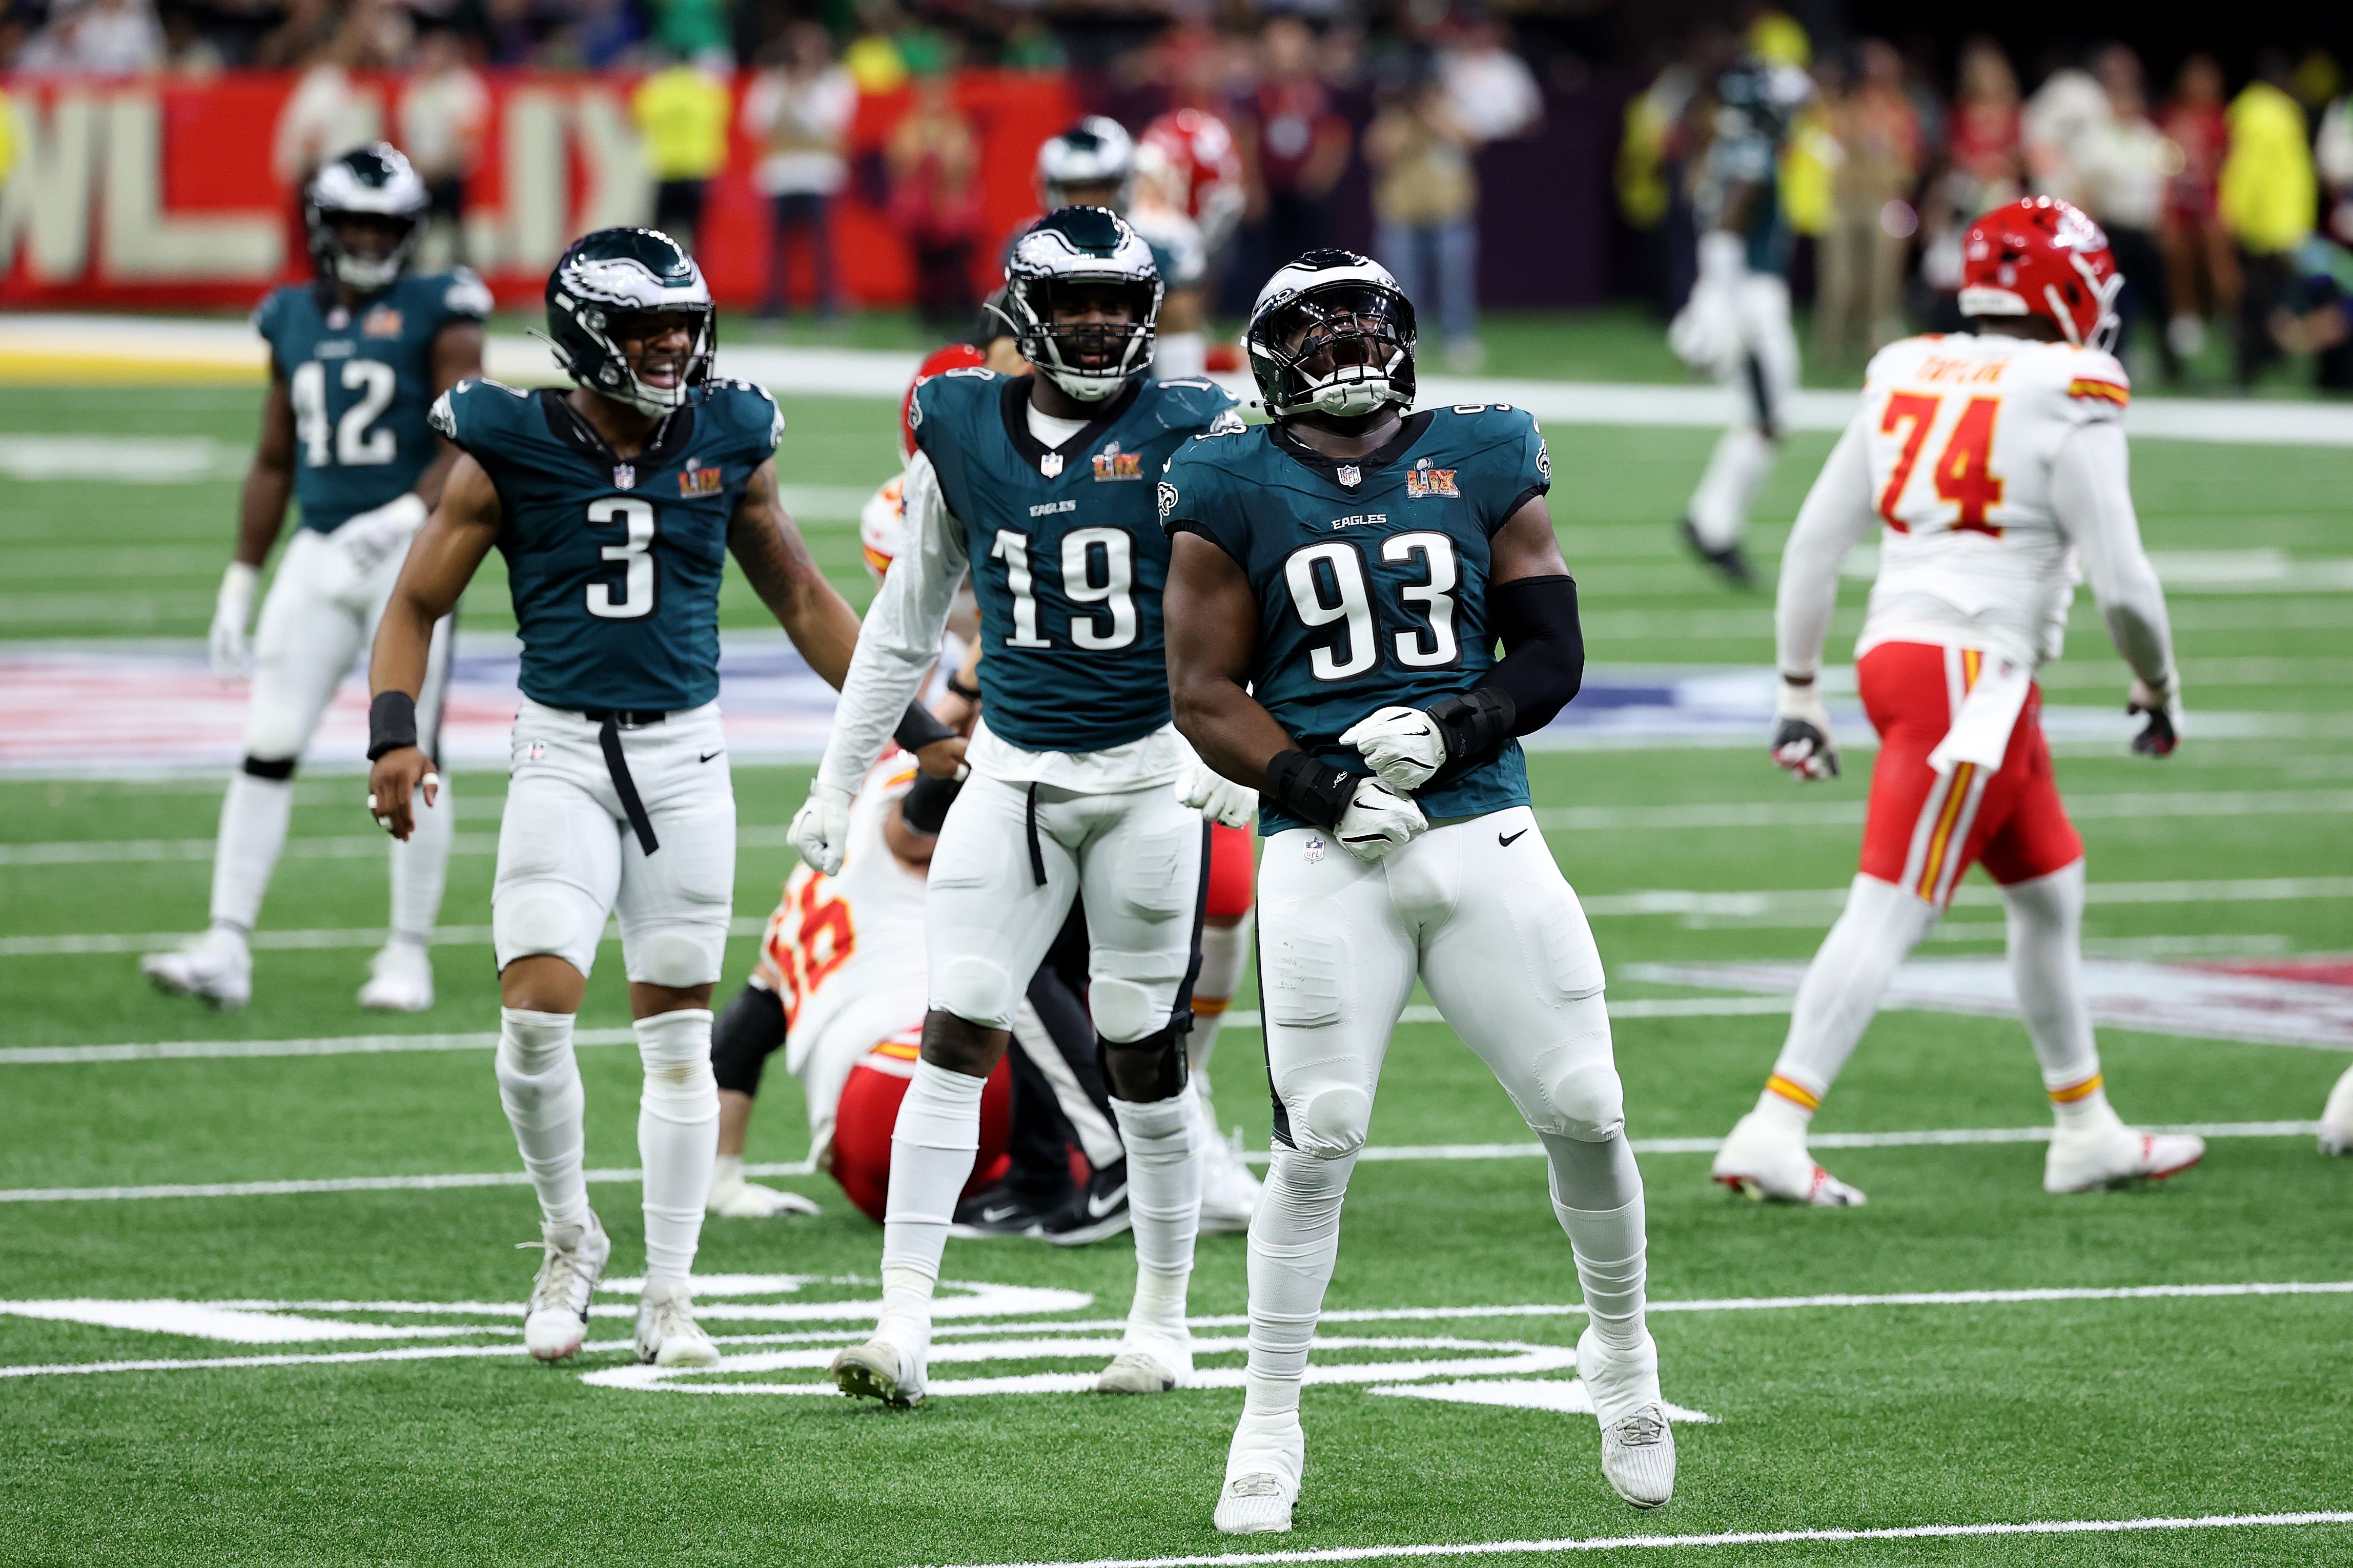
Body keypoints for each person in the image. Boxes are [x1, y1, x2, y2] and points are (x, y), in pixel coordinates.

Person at [362, 226, 965, 1369]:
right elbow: (414, 604)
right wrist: (395, 734)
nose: (674, 348)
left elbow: (802, 598)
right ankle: (568, 1238)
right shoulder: (506, 441)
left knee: (679, 1039)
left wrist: (923, 732)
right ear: (588, 335)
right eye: (648, 330)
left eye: (685, 326)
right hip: (560, 751)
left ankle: (671, 1294)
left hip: (685, 759)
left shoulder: (729, 435)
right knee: (535, 1016)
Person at [1160, 250, 1671, 1531]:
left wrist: (1457, 725)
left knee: (1586, 1103)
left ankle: (1622, 1357)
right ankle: (1267, 1421)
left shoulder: (1483, 449)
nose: (1344, 343)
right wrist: (1316, 784)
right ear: (1269, 353)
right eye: (1315, 325)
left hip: (1479, 819)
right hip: (1328, 847)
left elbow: (1550, 649)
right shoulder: (1224, 476)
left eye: (1363, 320)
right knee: (1320, 1134)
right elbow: (1201, 693)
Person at [786, 207, 1243, 1406]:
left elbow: (1256, 595)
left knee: (1143, 1055)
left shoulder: (1193, 424)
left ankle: (1161, 1321)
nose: (1094, 323)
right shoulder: (960, 423)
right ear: (1024, 315)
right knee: (958, 1027)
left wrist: (1234, 742)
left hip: (1145, 779)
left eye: (1113, 301)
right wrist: (837, 776)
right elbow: (903, 625)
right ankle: (901, 1323)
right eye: (1072, 301)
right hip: (1012, 772)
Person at [1713, 197, 2203, 1206]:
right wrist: (2157, 683)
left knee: (2048, 890)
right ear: (2071, 293)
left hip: (1916, 659)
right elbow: (2123, 586)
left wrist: (1800, 686)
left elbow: (1814, 543)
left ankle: (2085, 1129)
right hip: (1970, 679)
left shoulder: (1910, 368)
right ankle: (1774, 1125)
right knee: (1892, 906)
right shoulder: (2069, 393)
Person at [142, 145, 484, 1014]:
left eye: (384, 226)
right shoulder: (289, 315)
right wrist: (240, 575)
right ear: (323, 227)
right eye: (354, 224)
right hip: (318, 548)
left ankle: (407, 953)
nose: (368, 239)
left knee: (413, 748)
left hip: (410, 556)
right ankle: (226, 944)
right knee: (267, 742)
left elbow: (471, 433)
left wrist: (405, 514)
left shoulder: (442, 308)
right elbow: (272, 458)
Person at [1668, 50, 1810, 586]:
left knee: (1764, 420)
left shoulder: (1729, 147)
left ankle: (1712, 522)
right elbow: (1726, 231)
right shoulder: (1749, 153)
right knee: (1768, 420)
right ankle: (1712, 525)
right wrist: (1715, 306)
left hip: (1745, 294)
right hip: (1750, 300)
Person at [1365, 66, 1483, 372]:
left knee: (1454, 280)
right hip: (1402, 215)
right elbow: (1377, 154)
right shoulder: (1393, 119)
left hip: (1448, 213)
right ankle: (1404, 341)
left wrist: (1434, 115)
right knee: (1401, 285)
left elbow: (1473, 141)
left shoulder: (1447, 113)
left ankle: (1458, 337)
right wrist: (1401, 119)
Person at [741, 23, 857, 320]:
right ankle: (773, 304)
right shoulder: (771, 84)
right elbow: (759, 126)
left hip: (820, 176)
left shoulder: (835, 82)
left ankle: (828, 303)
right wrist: (790, 94)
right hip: (781, 175)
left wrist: (803, 101)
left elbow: (834, 129)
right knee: (777, 246)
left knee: (823, 244)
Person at [397, 29, 488, 271]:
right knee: (415, 231)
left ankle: (463, 271)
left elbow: (466, 138)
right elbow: (409, 134)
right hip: (422, 172)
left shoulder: (464, 88)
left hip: (454, 174)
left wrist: (439, 169)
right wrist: (420, 168)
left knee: (455, 230)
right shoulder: (417, 87)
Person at [631, 52, 733, 255]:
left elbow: (636, 118)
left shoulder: (656, 87)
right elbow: (723, 116)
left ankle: (658, 271)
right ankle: (694, 271)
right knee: (697, 234)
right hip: (698, 168)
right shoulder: (707, 88)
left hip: (665, 168)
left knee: (658, 235)